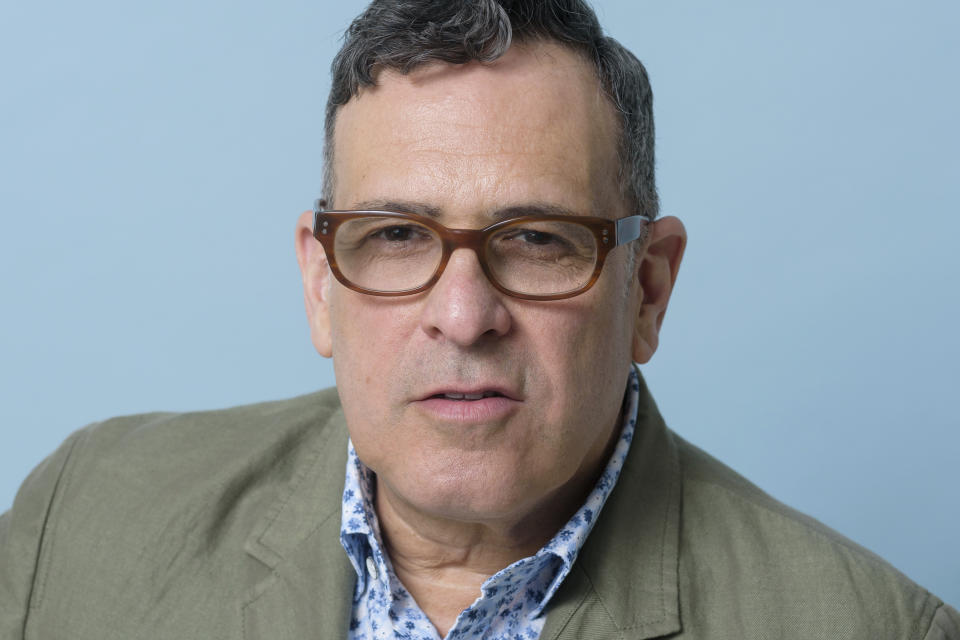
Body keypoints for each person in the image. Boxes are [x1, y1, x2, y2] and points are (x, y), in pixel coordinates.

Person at [0, 0, 956, 638]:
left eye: (538, 240)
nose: (462, 316)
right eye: (396, 237)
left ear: (649, 289)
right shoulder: (80, 521)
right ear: (317, 282)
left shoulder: (869, 624)